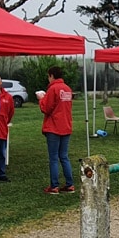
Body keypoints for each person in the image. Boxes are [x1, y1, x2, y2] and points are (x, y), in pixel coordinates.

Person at [36, 66, 75, 195]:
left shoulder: (53, 89)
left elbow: (46, 108)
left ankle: (54, 186)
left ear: (51, 75)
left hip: (54, 127)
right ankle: (70, 184)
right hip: (66, 126)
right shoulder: (67, 89)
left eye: (48, 76)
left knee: (53, 158)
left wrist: (41, 99)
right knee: (64, 156)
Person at [0, 74, 15, 182]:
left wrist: (4, 122)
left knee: (1, 152)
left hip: (2, 129)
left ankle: (1, 173)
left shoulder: (8, 97)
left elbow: (10, 113)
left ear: (0, 82)